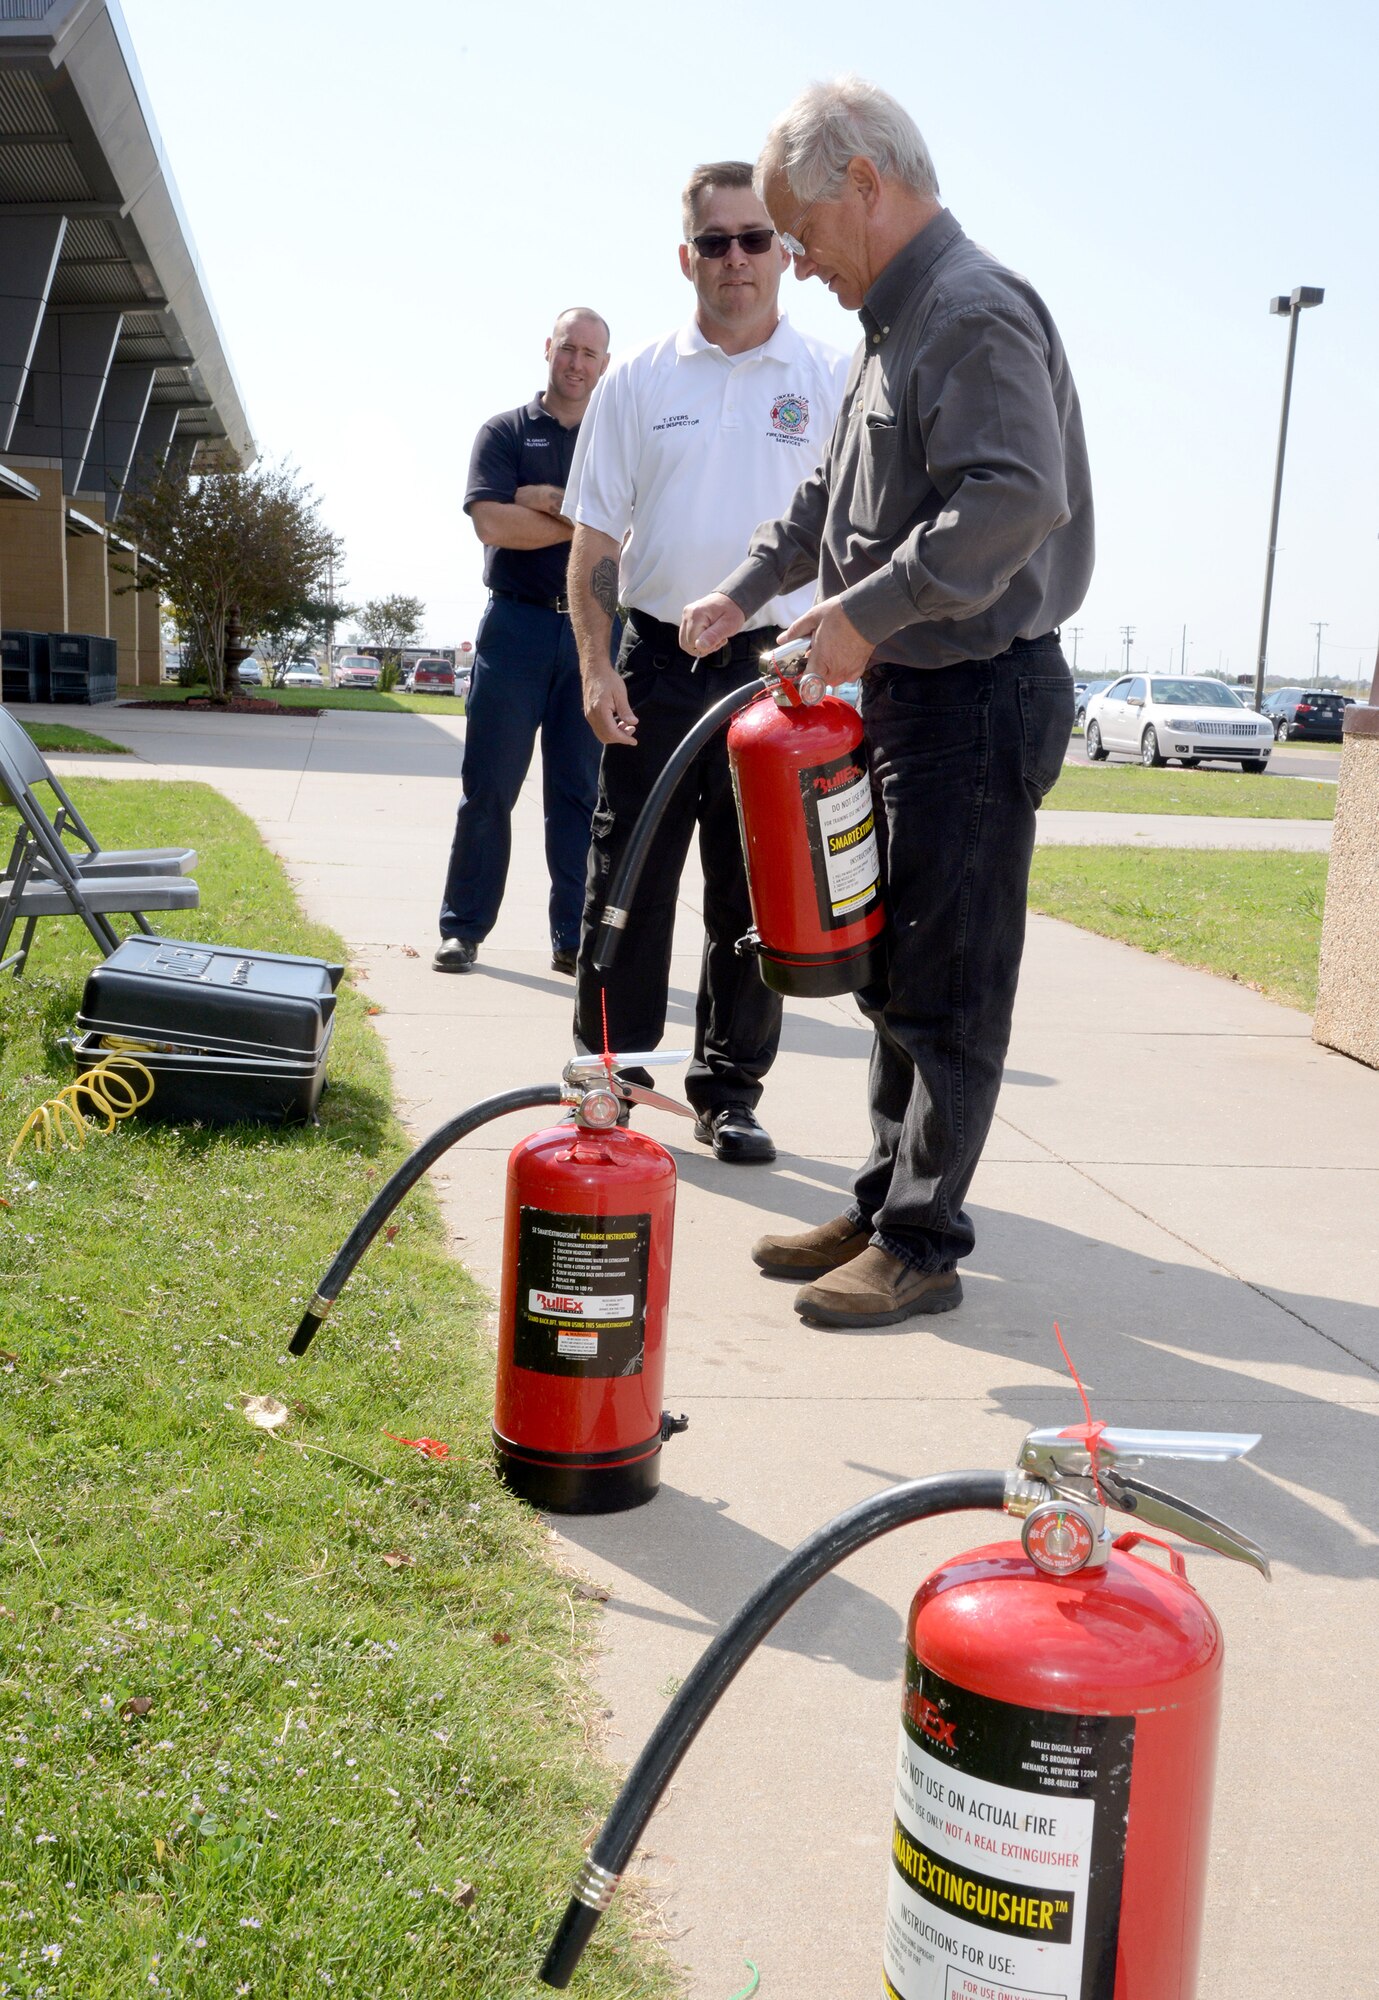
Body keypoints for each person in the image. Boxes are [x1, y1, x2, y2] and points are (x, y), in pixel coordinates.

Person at [682, 77, 1093, 1322]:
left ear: (866, 183)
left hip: (977, 695)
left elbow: (1012, 499)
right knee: (890, 964)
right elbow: (827, 502)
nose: (795, 263)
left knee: (950, 980)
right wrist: (753, 584)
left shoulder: (966, 310)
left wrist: (865, 613)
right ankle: (879, 1203)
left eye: (800, 232)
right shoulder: (893, 327)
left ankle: (921, 1244)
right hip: (914, 697)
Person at [565, 162, 847, 1161]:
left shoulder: (831, 375)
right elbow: (594, 544)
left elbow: (860, 537)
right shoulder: (638, 379)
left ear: (782, 251)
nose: (736, 258)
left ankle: (729, 1088)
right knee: (626, 868)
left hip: (777, 670)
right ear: (686, 256)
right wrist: (599, 669)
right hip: (654, 659)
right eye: (715, 241)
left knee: (753, 884)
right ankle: (610, 1065)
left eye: (754, 237)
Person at [435, 308, 611, 976]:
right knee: (488, 788)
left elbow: (630, 529)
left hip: (591, 629)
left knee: (580, 796)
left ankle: (573, 939)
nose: (576, 363)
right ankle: (462, 929)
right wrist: (584, 520)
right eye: (568, 348)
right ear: (548, 349)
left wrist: (546, 503)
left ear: (604, 364)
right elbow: (492, 523)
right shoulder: (504, 431)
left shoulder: (611, 439)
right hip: (515, 629)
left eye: (590, 354)